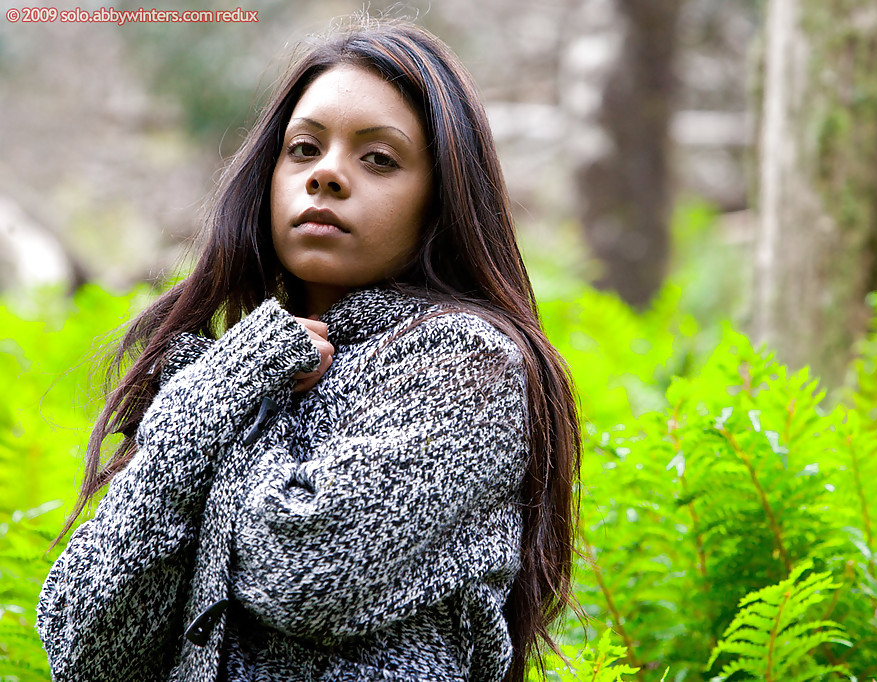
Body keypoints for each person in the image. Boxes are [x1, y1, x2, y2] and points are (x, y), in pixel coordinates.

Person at [36, 17, 581, 682]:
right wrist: (216, 390)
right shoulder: (230, 375)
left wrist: (208, 411)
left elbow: (306, 574)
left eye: (378, 158)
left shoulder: (471, 365)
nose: (326, 174)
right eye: (303, 149)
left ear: (441, 200)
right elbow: (85, 651)